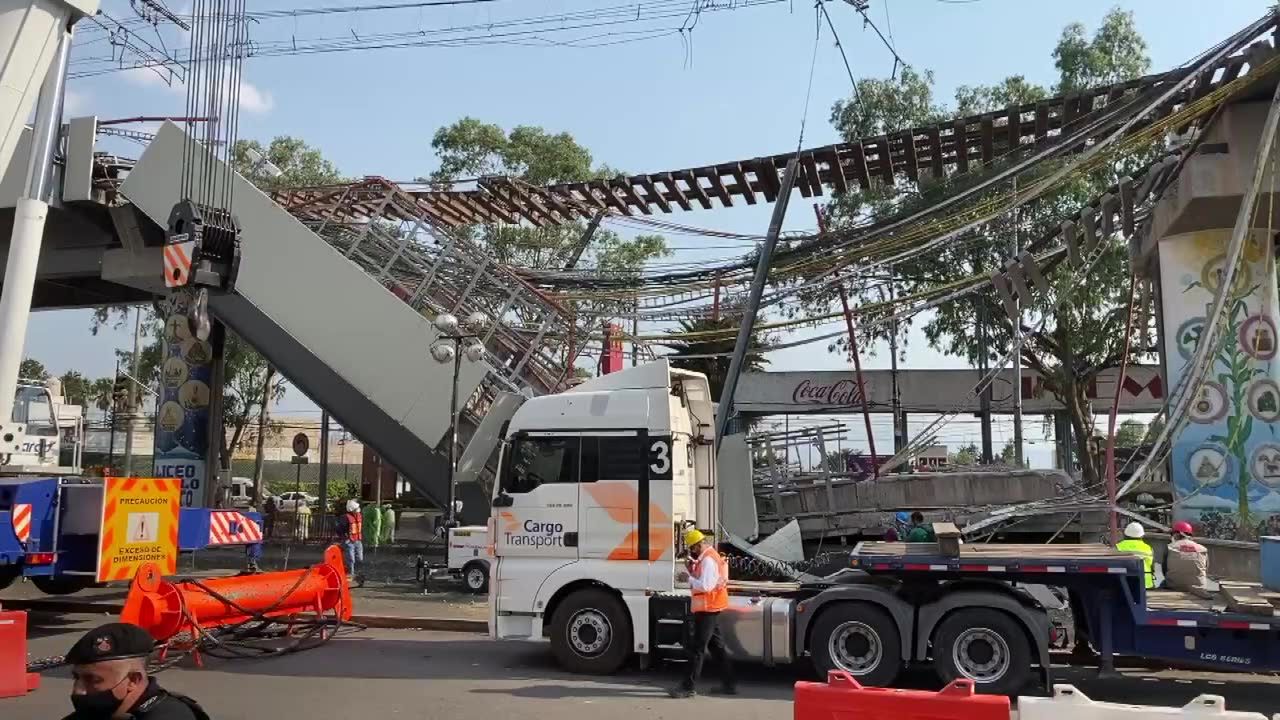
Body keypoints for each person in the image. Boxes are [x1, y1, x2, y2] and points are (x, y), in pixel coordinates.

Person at [63, 622, 209, 720]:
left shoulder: (170, 716)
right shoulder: (93, 714)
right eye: (76, 678)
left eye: (93, 680)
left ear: (133, 680)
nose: (78, 690)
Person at [668, 528, 736, 699]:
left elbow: (706, 586)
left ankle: (687, 687)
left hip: (707, 609)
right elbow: (705, 580)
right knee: (716, 648)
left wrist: (688, 578)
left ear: (698, 545)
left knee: (696, 649)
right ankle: (729, 684)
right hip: (710, 607)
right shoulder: (708, 557)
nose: (692, 551)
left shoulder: (708, 561)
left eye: (692, 548)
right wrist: (691, 570)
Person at [1162, 520, 1209, 591]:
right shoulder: (1202, 549)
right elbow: (1205, 568)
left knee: (1163, 583)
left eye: (1172, 534)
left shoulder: (1170, 547)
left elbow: (1164, 569)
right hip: (1199, 586)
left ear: (1177, 534)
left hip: (1174, 586)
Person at [1116, 521, 1155, 589]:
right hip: (1145, 585)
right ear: (1142, 535)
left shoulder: (1117, 547)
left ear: (1125, 534)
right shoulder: (1148, 548)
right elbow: (1152, 567)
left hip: (1123, 584)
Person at [335, 499, 364, 580]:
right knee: (351, 559)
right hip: (350, 541)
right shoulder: (345, 517)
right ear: (351, 509)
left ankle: (358, 573)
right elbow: (339, 529)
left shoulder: (359, 515)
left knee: (360, 558)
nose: (358, 510)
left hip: (358, 540)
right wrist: (344, 538)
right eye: (356, 509)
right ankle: (350, 573)